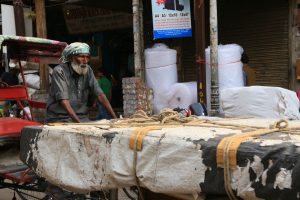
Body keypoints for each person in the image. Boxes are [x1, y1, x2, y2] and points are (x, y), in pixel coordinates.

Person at [46, 42, 117, 123]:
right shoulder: (59, 71)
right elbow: (64, 101)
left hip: (82, 117)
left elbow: (100, 95)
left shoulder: (88, 70)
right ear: (71, 57)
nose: (85, 61)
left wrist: (115, 117)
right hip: (60, 118)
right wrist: (79, 124)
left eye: (87, 57)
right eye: (81, 57)